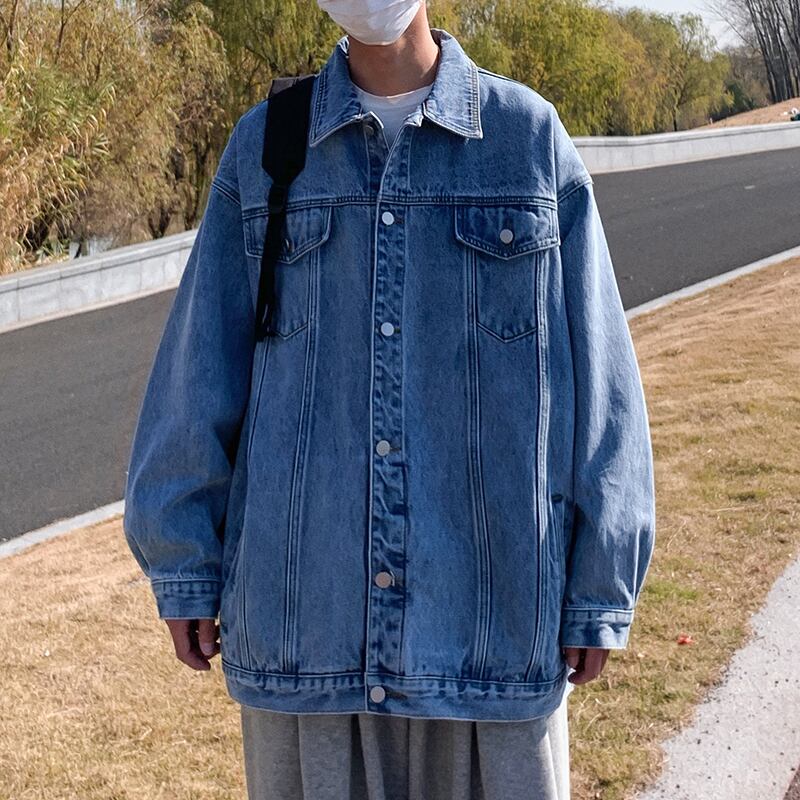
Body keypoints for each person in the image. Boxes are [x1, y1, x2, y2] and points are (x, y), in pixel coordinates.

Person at [122, 2, 657, 798]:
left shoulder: (528, 142)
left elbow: (603, 379)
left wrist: (601, 583)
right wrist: (183, 562)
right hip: (308, 631)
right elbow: (199, 372)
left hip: (490, 628)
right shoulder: (266, 148)